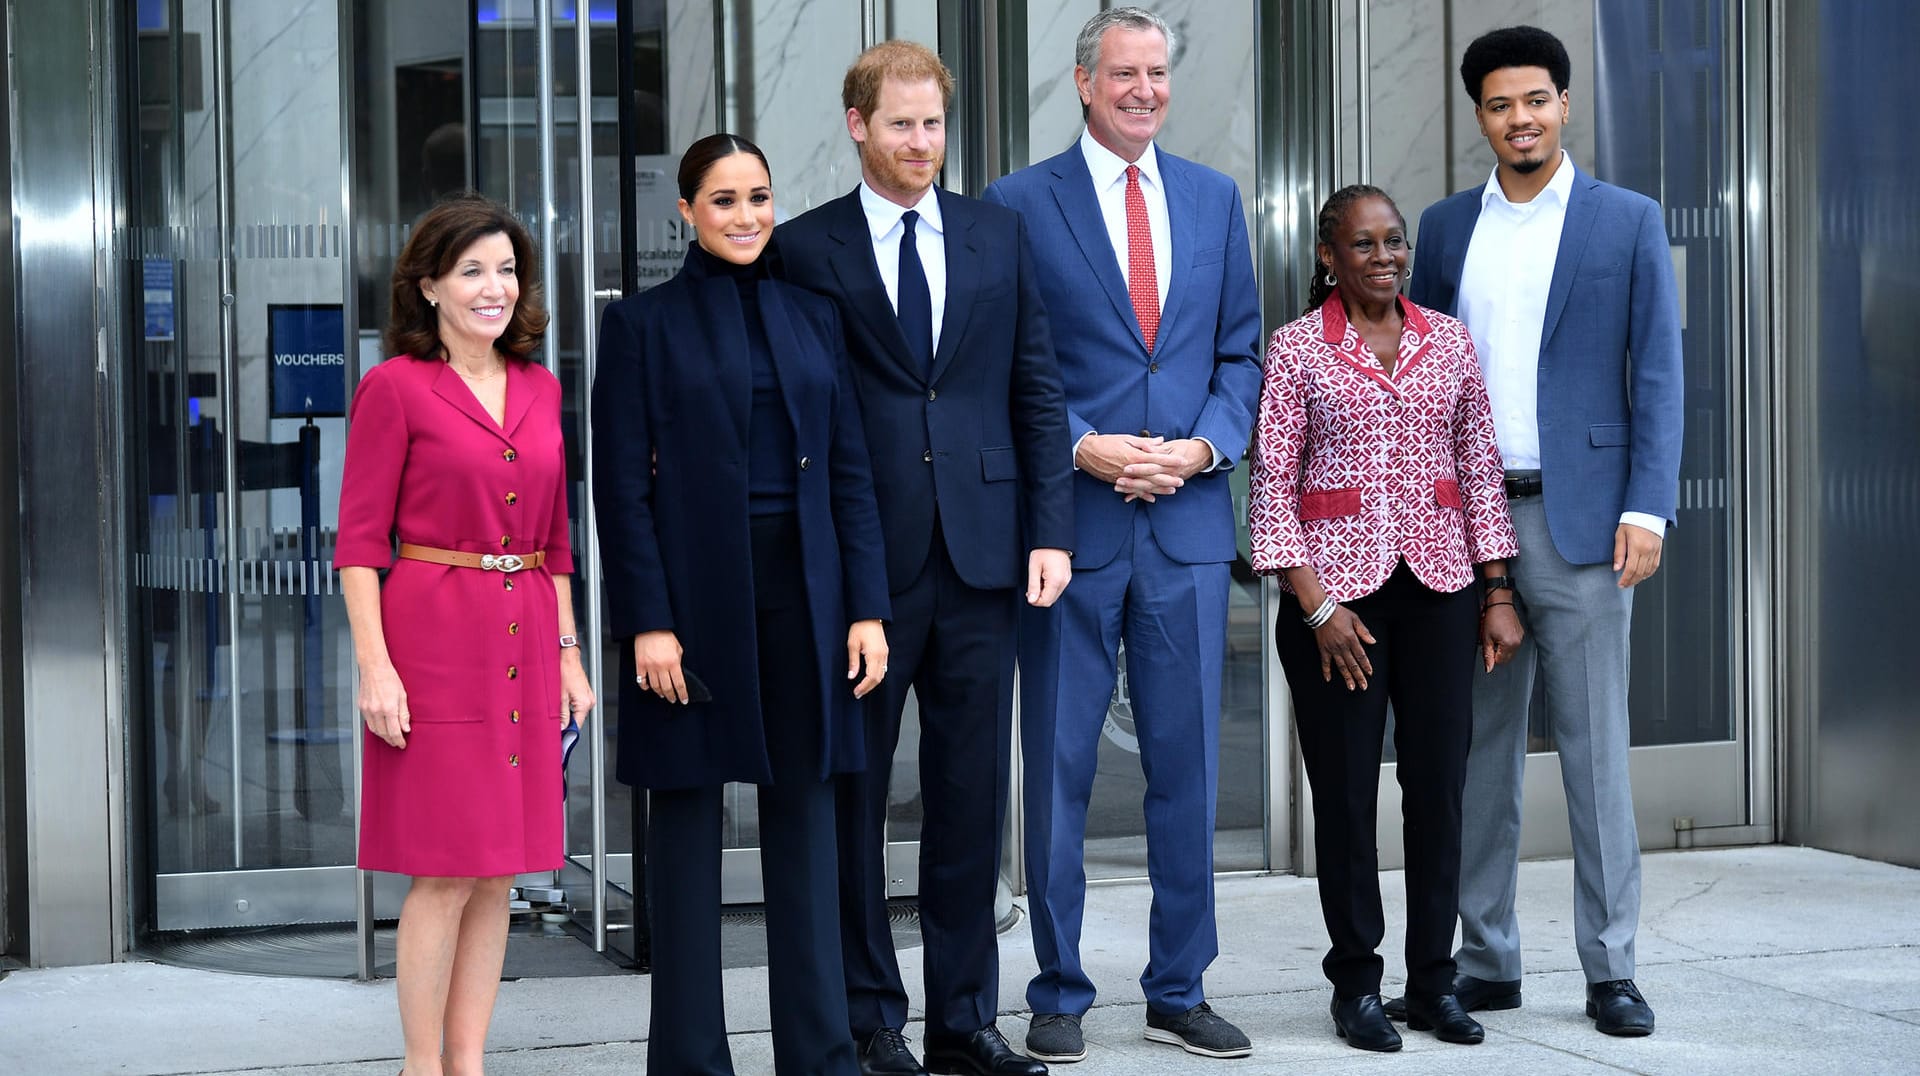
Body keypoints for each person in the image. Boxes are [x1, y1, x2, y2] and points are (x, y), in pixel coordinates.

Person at [775, 41, 1072, 1076]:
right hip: (866, 565)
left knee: (969, 793)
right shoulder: (807, 249)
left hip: (987, 553)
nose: (920, 143)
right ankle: (871, 1014)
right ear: (857, 124)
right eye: (900, 124)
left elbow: (1035, 387)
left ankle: (964, 1017)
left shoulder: (999, 234)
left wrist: (1051, 529)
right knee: (857, 794)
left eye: (933, 124)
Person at [1386, 24, 1685, 1039]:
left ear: (1564, 104)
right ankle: (1489, 957)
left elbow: (1658, 372)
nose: (1521, 118)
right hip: (1468, 524)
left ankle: (1611, 966)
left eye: (1537, 100)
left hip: (1588, 522)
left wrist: (1647, 504)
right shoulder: (1441, 229)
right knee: (1475, 749)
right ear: (1480, 117)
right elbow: (1415, 379)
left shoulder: (1625, 220)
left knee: (1598, 753)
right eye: (1501, 104)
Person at [982, 7, 1261, 1063]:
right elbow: (1002, 360)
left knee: (1186, 766)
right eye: (1125, 73)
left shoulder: (1214, 198)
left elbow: (1240, 354)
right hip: (1071, 524)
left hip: (1185, 523)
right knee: (1056, 769)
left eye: (1158, 73)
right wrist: (1087, 446)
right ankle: (1058, 986)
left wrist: (1198, 451)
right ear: (1084, 81)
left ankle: (1179, 986)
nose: (1144, 89)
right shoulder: (1019, 204)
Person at [591, 133, 891, 1075]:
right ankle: (689, 1061)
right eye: (723, 200)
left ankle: (821, 1056)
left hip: (808, 595)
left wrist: (867, 607)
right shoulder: (642, 326)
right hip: (690, 605)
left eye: (758, 196)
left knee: (806, 821)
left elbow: (850, 472)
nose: (746, 216)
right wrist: (647, 622)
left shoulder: (815, 316)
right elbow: (619, 491)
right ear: (686, 212)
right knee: (683, 828)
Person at [1248, 184, 1522, 1053]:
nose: (1384, 257)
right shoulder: (1296, 349)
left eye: (1394, 242)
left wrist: (1498, 588)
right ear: (1328, 255)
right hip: (1335, 603)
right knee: (1345, 797)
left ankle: (1434, 985)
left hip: (1438, 590)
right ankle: (1356, 986)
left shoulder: (1447, 340)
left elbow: (1479, 466)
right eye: (1362, 245)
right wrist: (1317, 604)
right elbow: (1270, 488)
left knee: (1438, 790)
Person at [336, 192, 595, 1076]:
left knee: (498, 871)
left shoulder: (540, 385)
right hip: (431, 642)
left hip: (523, 643)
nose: (495, 288)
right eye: (472, 271)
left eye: (508, 270)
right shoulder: (394, 388)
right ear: (430, 286)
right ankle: (420, 1067)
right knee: (443, 869)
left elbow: (556, 542)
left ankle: (469, 1062)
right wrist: (375, 668)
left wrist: (568, 652)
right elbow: (361, 545)